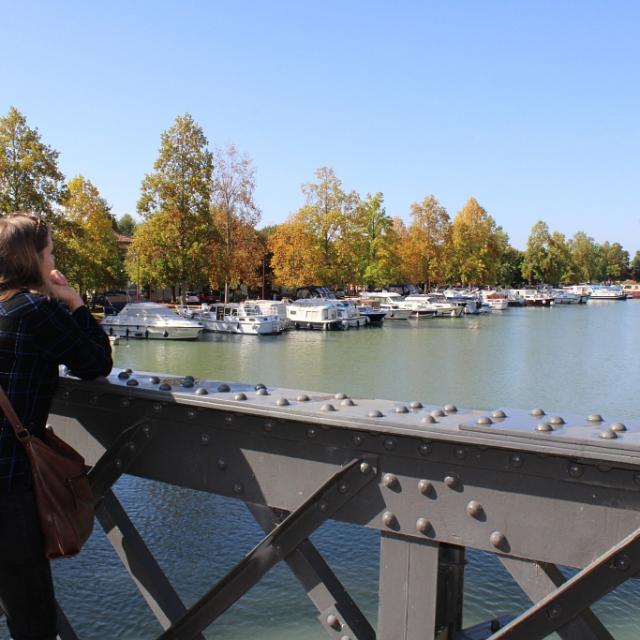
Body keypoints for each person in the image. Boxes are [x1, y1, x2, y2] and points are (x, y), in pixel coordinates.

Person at [0, 213, 112, 639]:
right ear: (34, 257)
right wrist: (74, 301)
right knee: (31, 617)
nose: (53, 259)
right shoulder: (35, 310)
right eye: (50, 252)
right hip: (8, 484)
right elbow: (95, 362)